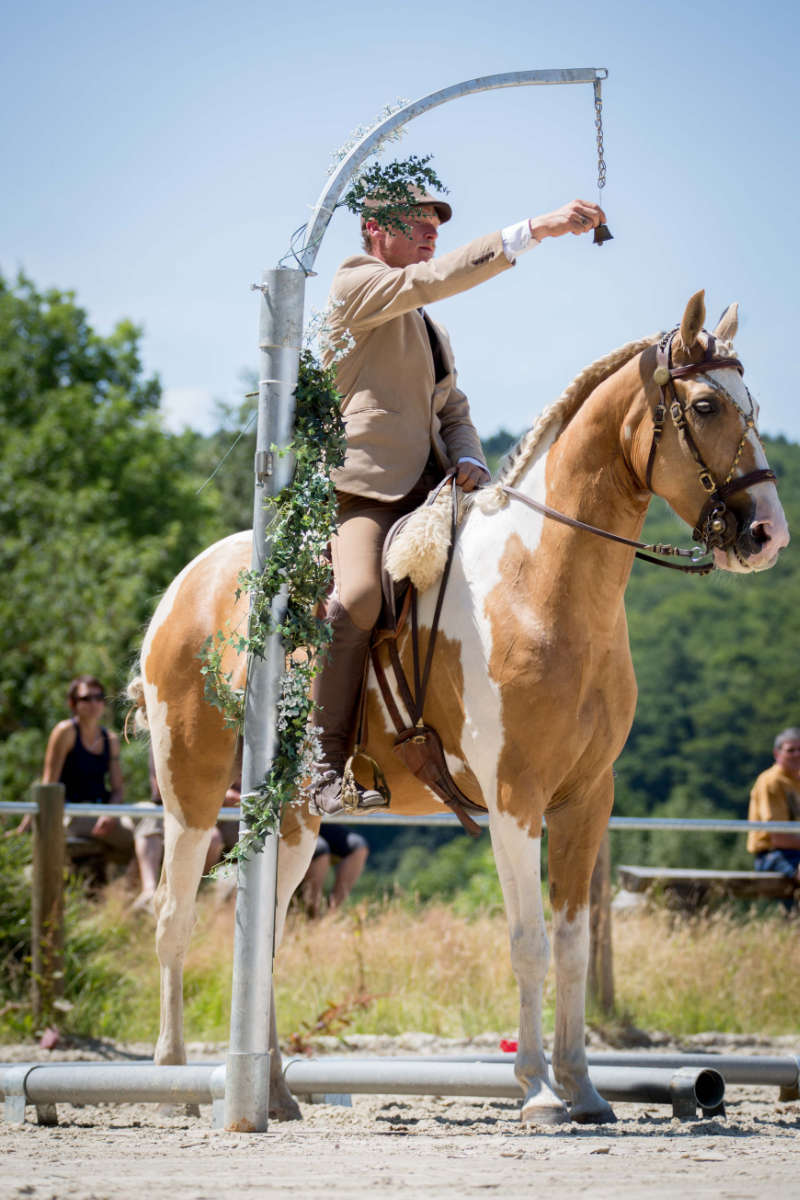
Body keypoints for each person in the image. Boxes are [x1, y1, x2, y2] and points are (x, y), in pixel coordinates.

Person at [309, 184, 606, 817]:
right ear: (372, 229)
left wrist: (469, 455)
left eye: (435, 223)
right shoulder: (355, 285)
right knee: (359, 597)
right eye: (414, 222)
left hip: (440, 491)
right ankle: (323, 762)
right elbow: (433, 278)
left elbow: (453, 409)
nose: (430, 231)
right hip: (370, 491)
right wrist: (535, 229)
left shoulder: (430, 326)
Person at [747, 727, 800, 890]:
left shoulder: (796, 780)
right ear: (777, 754)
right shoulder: (771, 781)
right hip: (772, 855)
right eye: (791, 750)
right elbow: (779, 837)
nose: (797, 754)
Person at [301, 824, 369, 918]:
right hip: (296, 822)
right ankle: (312, 917)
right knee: (320, 850)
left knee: (359, 846)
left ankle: (329, 915)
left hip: (321, 822)